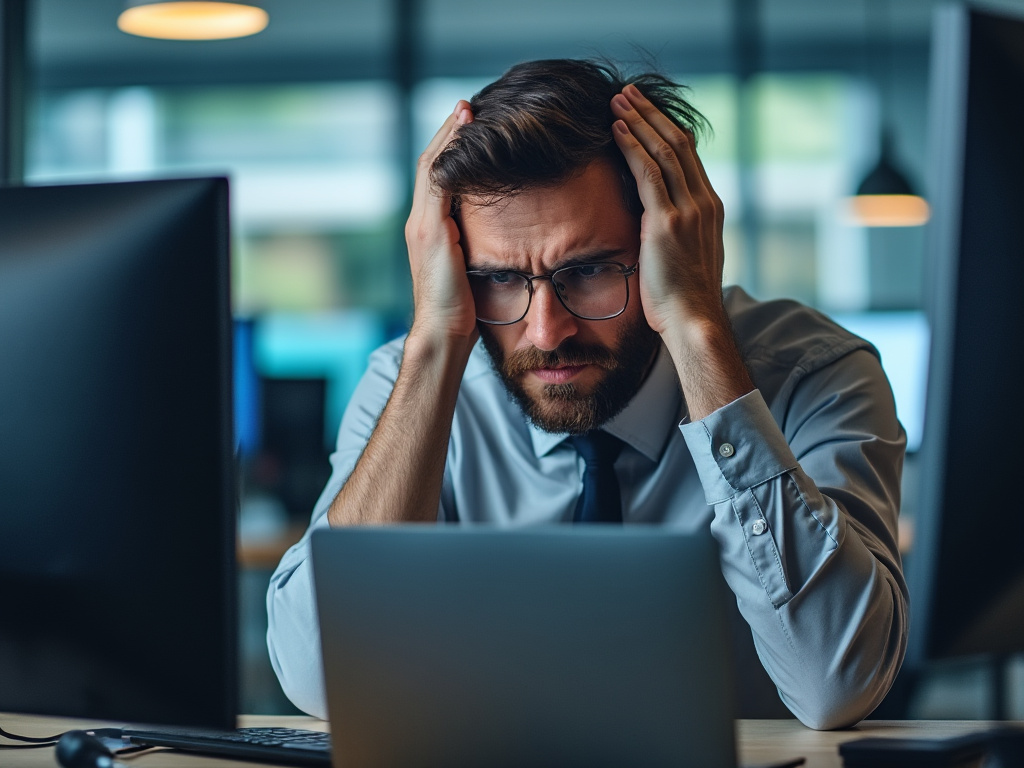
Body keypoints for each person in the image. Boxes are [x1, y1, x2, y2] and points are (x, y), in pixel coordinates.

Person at [266, 58, 908, 730]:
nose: (547, 332)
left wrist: (694, 329)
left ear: (670, 243)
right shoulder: (412, 380)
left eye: (592, 270)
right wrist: (431, 347)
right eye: (499, 280)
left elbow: (839, 683)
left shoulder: (816, 376)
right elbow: (320, 682)